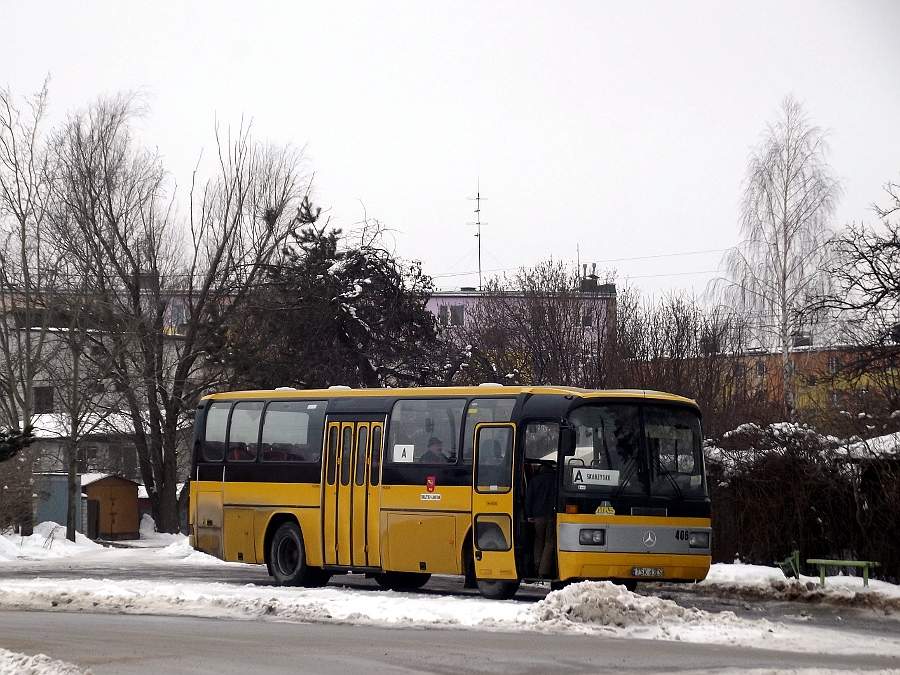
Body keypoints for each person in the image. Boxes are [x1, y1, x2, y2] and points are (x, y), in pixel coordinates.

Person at [525, 463, 557, 578]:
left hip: (538, 516)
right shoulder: (555, 480)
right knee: (549, 542)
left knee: (538, 540)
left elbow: (529, 499)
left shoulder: (534, 480)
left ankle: (537, 564)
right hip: (552, 515)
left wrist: (529, 514)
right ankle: (544, 571)